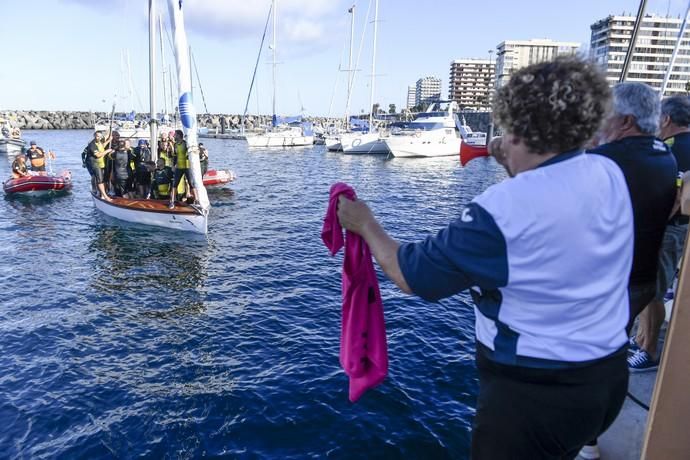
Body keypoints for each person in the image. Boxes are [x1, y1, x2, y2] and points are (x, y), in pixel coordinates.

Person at [337, 57, 632, 459]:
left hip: (534, 396)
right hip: (607, 378)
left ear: (521, 129)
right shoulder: (609, 173)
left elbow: (411, 275)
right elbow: (549, 179)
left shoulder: (503, 209)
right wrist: (512, 153)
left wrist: (366, 225)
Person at [579, 83, 677, 460]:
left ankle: (585, 442)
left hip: (605, 287)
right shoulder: (663, 156)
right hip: (640, 280)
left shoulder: (604, 161)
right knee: (611, 354)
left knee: (585, 366)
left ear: (625, 120)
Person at [629, 95, 690, 372]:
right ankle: (643, 338)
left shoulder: (669, 149)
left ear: (665, 119)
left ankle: (649, 350)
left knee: (651, 290)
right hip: (677, 229)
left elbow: (675, 196)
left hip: (665, 230)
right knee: (651, 287)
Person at [85, 131, 113, 202]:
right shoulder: (92, 145)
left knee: (102, 179)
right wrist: (107, 151)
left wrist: (108, 140)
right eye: (97, 136)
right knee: (100, 180)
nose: (99, 138)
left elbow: (101, 146)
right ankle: (105, 196)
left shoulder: (99, 142)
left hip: (99, 163)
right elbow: (98, 155)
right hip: (94, 163)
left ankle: (101, 193)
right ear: (94, 136)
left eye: (100, 136)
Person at [172, 129, 196, 204]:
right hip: (179, 167)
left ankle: (197, 200)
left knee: (191, 183)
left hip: (187, 166)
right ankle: (172, 200)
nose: (174, 136)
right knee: (175, 183)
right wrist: (173, 165)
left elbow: (190, 152)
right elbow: (175, 156)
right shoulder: (175, 144)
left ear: (179, 135)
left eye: (175, 134)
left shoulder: (185, 143)